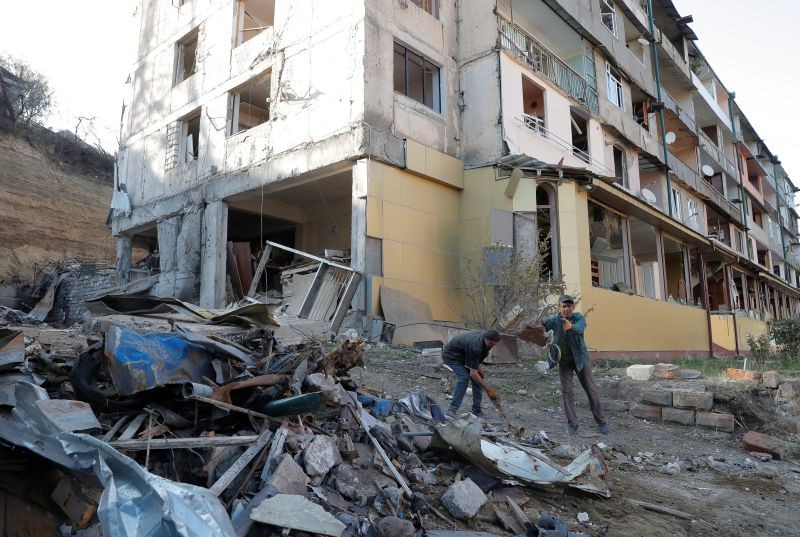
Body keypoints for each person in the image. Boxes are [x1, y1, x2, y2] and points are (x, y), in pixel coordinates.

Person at [541, 295, 609, 435]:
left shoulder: (579, 318)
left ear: (573, 307)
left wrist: (570, 326)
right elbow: (541, 324)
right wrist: (536, 329)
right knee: (567, 392)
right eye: (564, 306)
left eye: (569, 306)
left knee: (592, 391)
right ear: (559, 307)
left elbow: (579, 328)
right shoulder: (554, 320)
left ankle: (602, 422)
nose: (567, 309)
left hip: (580, 360)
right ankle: (573, 424)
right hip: (564, 361)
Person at [443, 330, 501, 417]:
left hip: (464, 355)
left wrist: (480, 372)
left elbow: (476, 360)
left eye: (495, 344)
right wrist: (488, 389)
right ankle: (452, 410)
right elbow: (473, 373)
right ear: (486, 338)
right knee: (464, 378)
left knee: (478, 378)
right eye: (491, 344)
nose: (493, 346)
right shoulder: (475, 346)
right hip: (452, 356)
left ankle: (476, 410)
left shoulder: (485, 340)